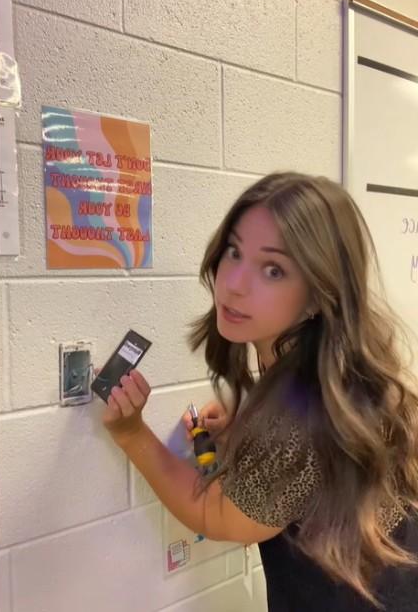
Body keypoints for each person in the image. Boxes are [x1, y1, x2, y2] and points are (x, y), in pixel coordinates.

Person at [102, 172, 418, 610]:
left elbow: (219, 516)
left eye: (273, 269)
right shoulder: (334, 374)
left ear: (318, 294)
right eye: (234, 251)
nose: (234, 283)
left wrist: (131, 434)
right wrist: (247, 424)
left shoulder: (297, 417)